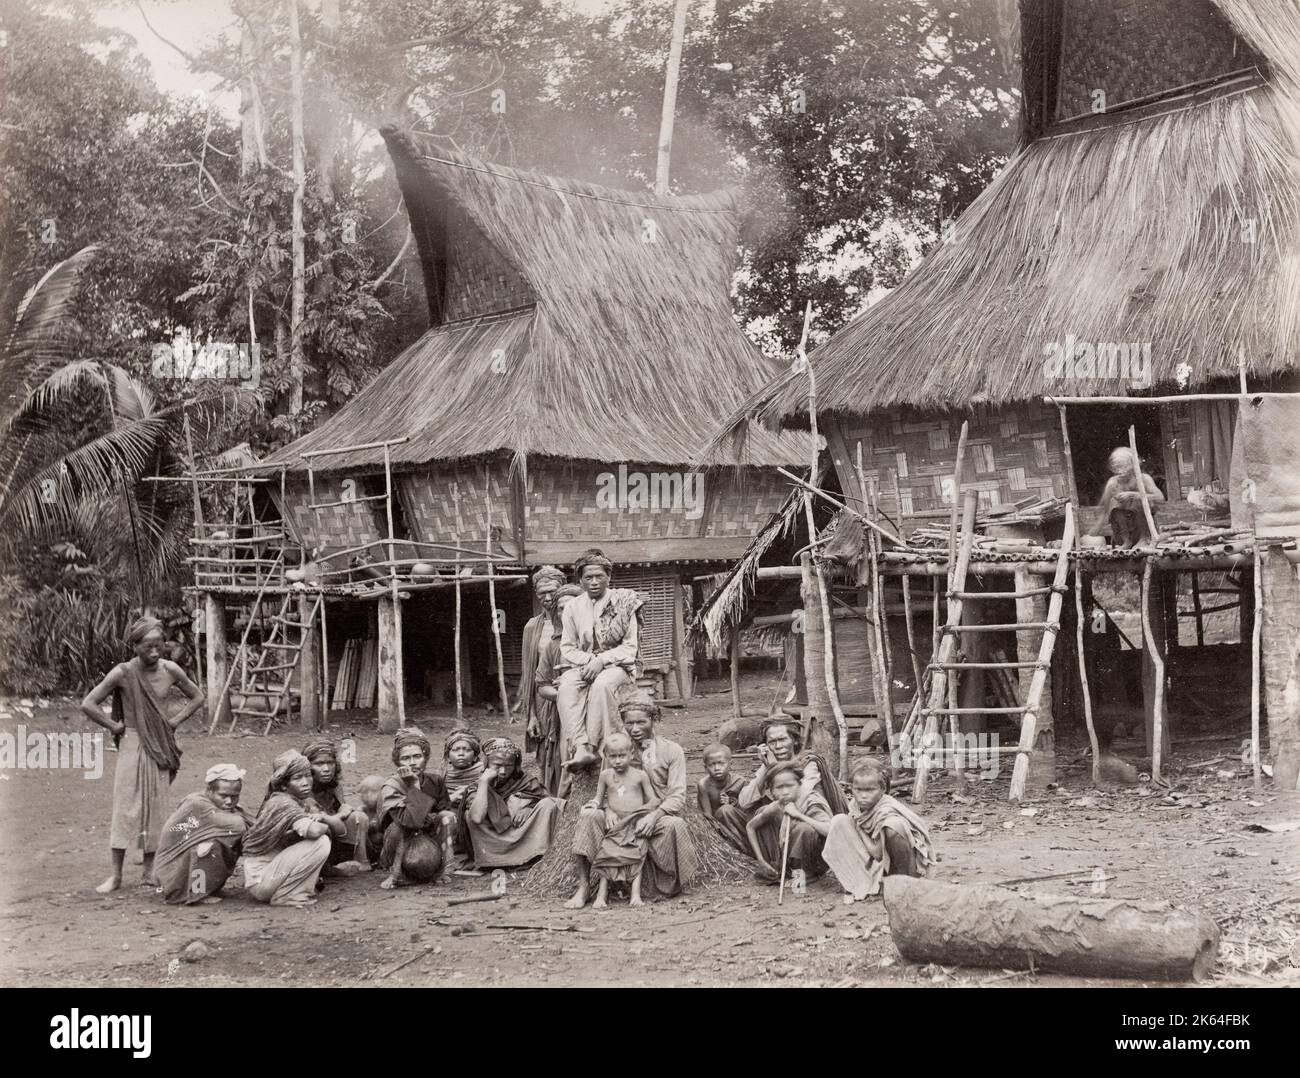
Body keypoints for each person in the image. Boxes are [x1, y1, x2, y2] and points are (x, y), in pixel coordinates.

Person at [81, 615, 205, 893]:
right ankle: (116, 876)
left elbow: (197, 696)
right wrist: (114, 725)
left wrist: (173, 722)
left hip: (159, 743)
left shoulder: (171, 670)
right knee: (125, 807)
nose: (153, 651)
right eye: (147, 646)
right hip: (132, 743)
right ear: (134, 646)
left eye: (158, 645)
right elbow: (88, 703)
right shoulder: (123, 672)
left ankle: (149, 872)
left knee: (156, 807)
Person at [567, 691, 698, 908]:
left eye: (641, 722)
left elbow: (677, 795)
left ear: (654, 720)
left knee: (676, 825)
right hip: (618, 816)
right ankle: (583, 887)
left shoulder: (671, 751)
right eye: (630, 723)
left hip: (652, 814)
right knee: (589, 815)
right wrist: (607, 809)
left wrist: (654, 816)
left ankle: (660, 885)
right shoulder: (617, 748)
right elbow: (608, 785)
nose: (635, 729)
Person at [557, 549, 643, 770]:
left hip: (619, 664)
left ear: (609, 577)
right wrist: (590, 661)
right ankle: (581, 746)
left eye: (599, 576)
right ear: (580, 580)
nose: (594, 582)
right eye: (588, 578)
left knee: (602, 685)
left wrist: (601, 661)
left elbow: (630, 647)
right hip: (585, 663)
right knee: (566, 686)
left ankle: (599, 747)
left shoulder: (624, 602)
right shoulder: (572, 608)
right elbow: (568, 647)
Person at [822, 761, 933, 901]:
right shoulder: (855, 806)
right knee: (839, 820)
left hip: (893, 862)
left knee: (894, 825)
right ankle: (860, 879)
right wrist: (854, 824)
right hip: (873, 862)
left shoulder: (886, 809)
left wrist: (857, 827)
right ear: (851, 789)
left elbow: (877, 853)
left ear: (882, 789)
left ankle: (901, 883)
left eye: (870, 790)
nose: (863, 795)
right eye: (858, 790)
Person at [242, 751, 338, 907]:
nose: (306, 782)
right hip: (263, 880)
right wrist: (322, 821)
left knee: (317, 840)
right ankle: (286, 895)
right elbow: (314, 830)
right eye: (297, 778)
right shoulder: (283, 804)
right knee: (321, 842)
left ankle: (292, 891)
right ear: (284, 785)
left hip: (271, 876)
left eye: (308, 775)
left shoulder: (299, 801)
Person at [154, 763, 252, 905]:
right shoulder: (198, 804)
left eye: (235, 796)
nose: (229, 801)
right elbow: (239, 826)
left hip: (178, 868)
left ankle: (206, 888)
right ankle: (195, 893)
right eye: (223, 795)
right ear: (209, 790)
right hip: (171, 872)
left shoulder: (216, 805)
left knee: (220, 842)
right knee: (209, 847)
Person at [465, 737, 562, 869]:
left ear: (515, 765)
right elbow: (476, 817)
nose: (503, 771)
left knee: (549, 804)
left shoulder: (526, 781)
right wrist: (483, 784)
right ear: (487, 763)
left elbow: (543, 799)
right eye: (497, 765)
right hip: (493, 841)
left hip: (522, 833)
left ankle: (532, 855)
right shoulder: (477, 786)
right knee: (469, 813)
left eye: (509, 766)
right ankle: (494, 861)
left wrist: (529, 808)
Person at [377, 728, 456, 889]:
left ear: (425, 757)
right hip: (400, 841)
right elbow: (408, 822)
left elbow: (442, 810)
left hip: (427, 837)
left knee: (448, 817)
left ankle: (444, 870)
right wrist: (414, 786)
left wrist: (431, 818)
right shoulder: (391, 786)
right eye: (406, 758)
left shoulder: (435, 781)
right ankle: (396, 874)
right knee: (399, 827)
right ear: (398, 762)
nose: (412, 762)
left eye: (417, 756)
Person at [588, 731, 659, 909]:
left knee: (637, 856)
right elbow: (599, 798)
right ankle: (601, 896)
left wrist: (643, 814)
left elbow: (654, 800)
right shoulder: (605, 775)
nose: (618, 761)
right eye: (613, 757)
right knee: (607, 855)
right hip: (616, 826)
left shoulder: (640, 775)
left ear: (631, 754)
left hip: (635, 824)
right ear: (606, 756)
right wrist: (607, 809)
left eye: (622, 756)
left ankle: (635, 895)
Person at [531, 583, 584, 796]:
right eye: (561, 608)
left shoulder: (602, 639)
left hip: (597, 710)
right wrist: (565, 694)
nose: (566, 612)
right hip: (563, 716)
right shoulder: (554, 646)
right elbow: (542, 685)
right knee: (565, 759)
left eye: (572, 606)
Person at [517, 567, 567, 790]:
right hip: (543, 698)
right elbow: (529, 675)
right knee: (547, 750)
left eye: (553, 592)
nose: (547, 598)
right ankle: (552, 796)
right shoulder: (532, 627)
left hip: (571, 692)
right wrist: (531, 717)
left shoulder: (575, 621)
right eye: (541, 593)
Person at [745, 761, 833, 886]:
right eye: (779, 788)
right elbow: (750, 827)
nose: (785, 792)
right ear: (772, 791)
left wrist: (798, 815)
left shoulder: (811, 800)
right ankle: (784, 869)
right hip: (791, 856)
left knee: (803, 828)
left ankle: (807, 875)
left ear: (800, 784)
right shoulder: (776, 806)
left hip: (818, 858)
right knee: (763, 814)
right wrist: (761, 860)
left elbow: (830, 830)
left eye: (790, 786)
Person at [737, 719, 847, 818]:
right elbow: (744, 802)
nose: (778, 746)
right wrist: (767, 767)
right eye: (772, 742)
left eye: (783, 739)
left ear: (794, 740)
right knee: (733, 812)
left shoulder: (807, 763)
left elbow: (799, 800)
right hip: (784, 820)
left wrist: (775, 768)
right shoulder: (769, 763)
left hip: (809, 822)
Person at [303, 737, 369, 874]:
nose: (326, 769)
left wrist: (343, 810)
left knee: (359, 817)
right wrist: (339, 815)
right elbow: (319, 820)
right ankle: (325, 869)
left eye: (330, 763)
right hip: (313, 836)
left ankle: (362, 861)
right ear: (308, 766)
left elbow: (343, 807)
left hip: (333, 831)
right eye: (319, 764)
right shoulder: (303, 787)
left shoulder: (334, 785)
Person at [1089, 447, 1164, 547]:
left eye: (1123, 467)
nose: (1120, 471)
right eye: (1116, 468)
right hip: (1124, 530)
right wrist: (1094, 530)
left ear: (1132, 465)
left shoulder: (1143, 479)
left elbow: (1160, 498)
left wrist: (1134, 495)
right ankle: (1126, 541)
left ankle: (1144, 539)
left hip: (1145, 529)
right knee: (1114, 503)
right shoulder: (1113, 483)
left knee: (1139, 500)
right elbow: (1105, 509)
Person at [696, 743, 751, 855]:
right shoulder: (704, 785)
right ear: (705, 768)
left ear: (730, 764)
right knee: (723, 811)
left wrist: (732, 803)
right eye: (711, 765)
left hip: (742, 828)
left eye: (721, 763)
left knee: (726, 810)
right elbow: (707, 816)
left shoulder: (740, 782)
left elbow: (749, 812)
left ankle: (746, 849)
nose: (717, 768)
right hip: (718, 829)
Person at [442, 728, 484, 864]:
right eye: (456, 750)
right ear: (448, 756)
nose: (461, 754)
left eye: (466, 750)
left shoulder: (484, 773)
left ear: (476, 755)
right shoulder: (442, 775)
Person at [356, 775, 387, 867]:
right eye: (365, 792)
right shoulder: (361, 810)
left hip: (385, 849)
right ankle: (364, 860)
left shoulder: (386, 810)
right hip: (369, 849)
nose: (368, 796)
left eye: (374, 791)